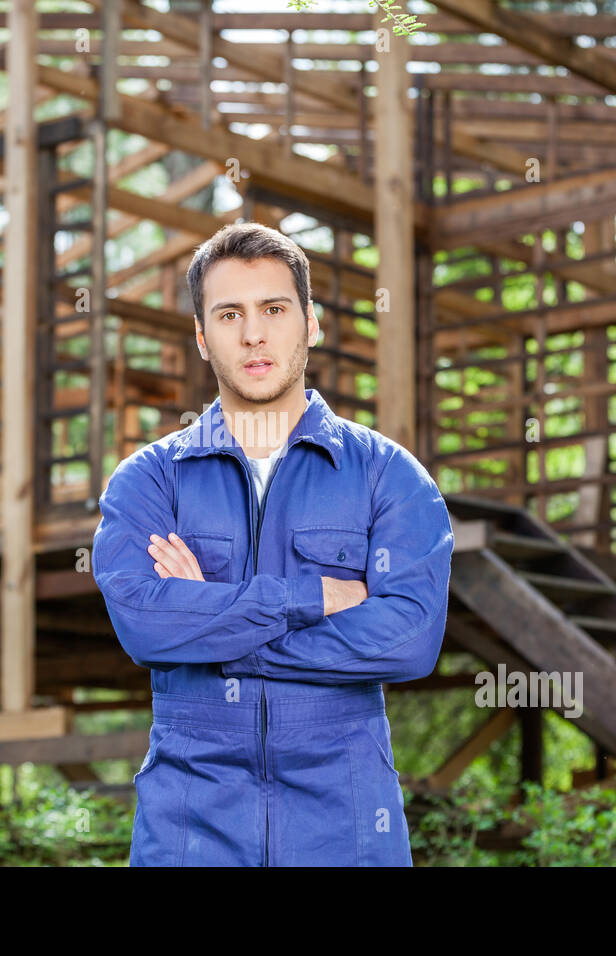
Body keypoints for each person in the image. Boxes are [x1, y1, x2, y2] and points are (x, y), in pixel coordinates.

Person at [91, 221, 454, 866]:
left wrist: (214, 621)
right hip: (190, 836)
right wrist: (314, 597)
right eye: (229, 314)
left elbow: (412, 641)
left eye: (274, 310)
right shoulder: (149, 481)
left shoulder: (386, 475)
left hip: (345, 835)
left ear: (311, 324)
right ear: (202, 338)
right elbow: (146, 628)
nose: (253, 334)